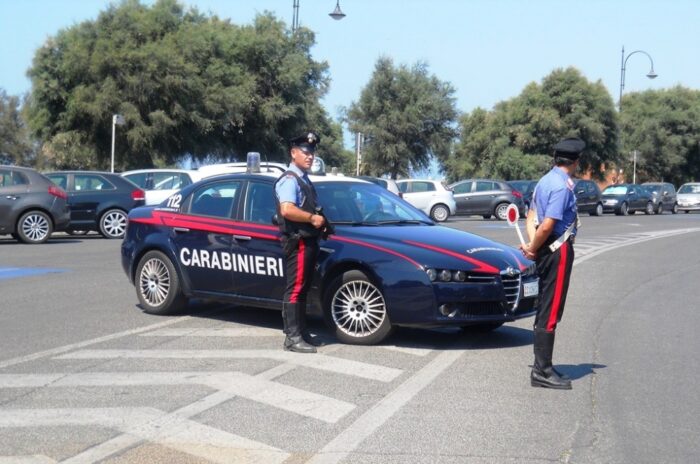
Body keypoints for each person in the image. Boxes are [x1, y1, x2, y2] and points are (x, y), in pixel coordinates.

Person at [520, 137, 585, 390]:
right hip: (558, 251)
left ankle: (543, 366)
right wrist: (534, 247)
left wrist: (531, 245)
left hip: (546, 249)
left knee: (546, 306)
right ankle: (542, 371)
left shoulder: (544, 181)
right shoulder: (561, 186)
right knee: (551, 308)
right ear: (576, 161)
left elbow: (532, 217)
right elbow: (547, 224)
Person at [274, 131, 327, 353]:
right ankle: (292, 338)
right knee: (295, 289)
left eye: (312, 152)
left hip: (308, 240)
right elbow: (287, 210)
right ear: (293, 153)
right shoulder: (289, 179)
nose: (310, 156)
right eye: (305, 152)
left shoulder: (303, 178)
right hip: (299, 241)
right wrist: (311, 218)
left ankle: (302, 333)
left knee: (303, 288)